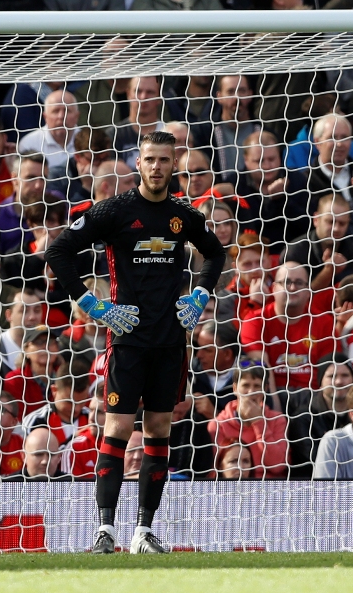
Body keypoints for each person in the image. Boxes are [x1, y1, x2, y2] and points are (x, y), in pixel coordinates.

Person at [45, 131, 227, 554]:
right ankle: (105, 531)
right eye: (150, 159)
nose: (157, 167)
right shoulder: (115, 210)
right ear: (139, 163)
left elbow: (216, 254)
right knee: (118, 428)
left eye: (164, 159)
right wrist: (94, 305)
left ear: (174, 164)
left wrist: (200, 295)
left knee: (159, 429)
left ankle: (144, 531)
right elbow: (58, 252)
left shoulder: (184, 215)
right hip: (126, 339)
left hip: (170, 340)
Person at [239, 262, 335, 392]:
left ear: (308, 291)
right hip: (271, 393)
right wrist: (274, 403)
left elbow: (329, 372)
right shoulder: (255, 320)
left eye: (299, 283)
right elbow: (261, 370)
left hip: (313, 394)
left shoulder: (325, 322)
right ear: (274, 288)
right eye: (286, 282)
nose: (292, 288)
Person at [208, 364, 290, 479]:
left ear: (265, 389)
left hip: (268, 484)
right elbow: (219, 470)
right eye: (246, 385)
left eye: (257, 386)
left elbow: (278, 467)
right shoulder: (218, 425)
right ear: (235, 389)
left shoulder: (277, 420)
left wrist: (258, 422)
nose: (251, 392)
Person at [284, 193, 353, 292]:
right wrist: (328, 271)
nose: (336, 228)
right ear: (316, 220)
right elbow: (296, 296)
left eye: (342, 223)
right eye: (330, 222)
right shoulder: (294, 253)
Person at [0, 153, 46, 255]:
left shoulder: (56, 205)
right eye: (31, 178)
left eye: (43, 178)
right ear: (14, 178)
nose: (38, 185)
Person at [23, 359, 93, 447]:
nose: (76, 409)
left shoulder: (93, 418)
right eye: (69, 402)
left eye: (82, 401)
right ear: (54, 390)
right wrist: (73, 440)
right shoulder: (36, 421)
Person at [17, 90, 81, 185]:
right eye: (56, 111)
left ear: (77, 116)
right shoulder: (29, 144)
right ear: (45, 117)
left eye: (67, 111)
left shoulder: (89, 141)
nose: (61, 116)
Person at [0, 290, 43, 378]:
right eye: (24, 311)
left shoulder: (50, 348)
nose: (32, 317)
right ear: (9, 315)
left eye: (37, 310)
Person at [113, 76, 166, 167]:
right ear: (128, 94)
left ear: (160, 97)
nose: (143, 97)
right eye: (138, 91)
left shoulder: (169, 134)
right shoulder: (114, 135)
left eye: (150, 92)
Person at [190, 320, 238, 415]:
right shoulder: (189, 372)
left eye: (207, 350)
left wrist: (214, 415)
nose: (199, 355)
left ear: (227, 354)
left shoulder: (250, 377)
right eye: (198, 347)